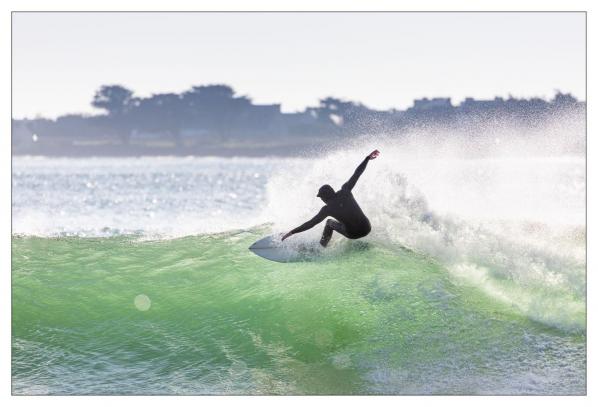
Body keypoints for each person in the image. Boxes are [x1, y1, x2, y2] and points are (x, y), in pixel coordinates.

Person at [282, 149, 380, 247]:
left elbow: (311, 223)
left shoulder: (327, 209)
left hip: (353, 234)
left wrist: (291, 232)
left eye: (321, 198)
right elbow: (357, 174)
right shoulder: (345, 191)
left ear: (324, 198)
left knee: (329, 222)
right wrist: (367, 158)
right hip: (367, 228)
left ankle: (322, 246)